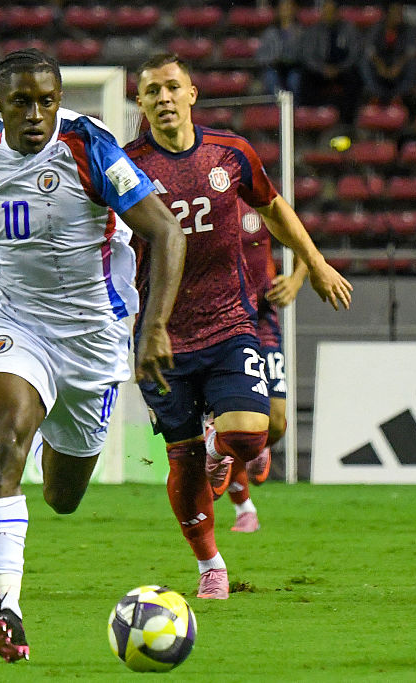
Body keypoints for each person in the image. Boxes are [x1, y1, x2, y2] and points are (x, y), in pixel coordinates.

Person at [0, 49, 185, 663]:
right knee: (4, 444)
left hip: (94, 338)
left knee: (62, 497)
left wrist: (154, 326)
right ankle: (6, 610)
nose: (36, 114)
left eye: (47, 101)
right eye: (21, 102)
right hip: (15, 325)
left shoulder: (89, 147)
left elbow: (166, 231)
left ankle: (45, 434)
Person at [126, 53, 351, 599]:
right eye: (152, 90)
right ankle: (211, 565)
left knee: (253, 432)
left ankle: (218, 446)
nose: (163, 97)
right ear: (141, 102)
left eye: (172, 87)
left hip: (230, 322)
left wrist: (315, 264)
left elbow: (273, 208)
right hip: (161, 334)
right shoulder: (126, 166)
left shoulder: (230, 153)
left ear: (192, 94)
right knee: (181, 459)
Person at [220, 211, 308, 533]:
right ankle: (244, 507)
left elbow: (302, 240)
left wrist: (295, 279)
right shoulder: (203, 202)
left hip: (262, 319)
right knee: (229, 426)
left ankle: (262, 445)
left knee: (275, 421)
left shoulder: (258, 203)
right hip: (221, 323)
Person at [300, 0, 363, 125]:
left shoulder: (349, 29)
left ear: (337, 13)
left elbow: (355, 54)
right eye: (326, 11)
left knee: (354, 78)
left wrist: (339, 69)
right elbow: (308, 56)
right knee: (305, 78)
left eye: (331, 11)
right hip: (320, 70)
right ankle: (311, 118)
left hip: (342, 70)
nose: (329, 15)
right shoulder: (314, 31)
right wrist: (322, 68)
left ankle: (347, 122)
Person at [359, 2, 416, 105]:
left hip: (399, 65)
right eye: (396, 12)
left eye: (400, 13)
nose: (399, 15)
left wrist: (398, 66)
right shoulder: (377, 28)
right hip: (381, 63)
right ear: (387, 14)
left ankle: (399, 95)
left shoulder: (409, 29)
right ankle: (376, 94)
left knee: (414, 62)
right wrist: (380, 65)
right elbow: (369, 49)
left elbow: (412, 50)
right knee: (364, 61)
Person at [256, 0, 305, 101]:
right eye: (283, 7)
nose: (286, 10)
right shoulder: (269, 32)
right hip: (274, 68)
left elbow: (305, 54)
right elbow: (260, 56)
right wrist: (272, 60)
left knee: (295, 80)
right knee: (270, 78)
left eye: (288, 7)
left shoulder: (301, 32)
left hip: (294, 68)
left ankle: (294, 107)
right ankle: (275, 108)